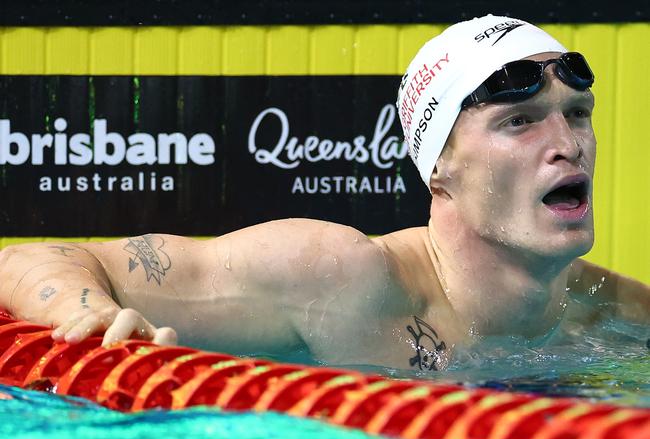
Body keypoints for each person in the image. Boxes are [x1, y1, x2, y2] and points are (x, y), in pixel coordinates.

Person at [1, 15, 649, 372]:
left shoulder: (617, 314)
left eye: (578, 112)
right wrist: (80, 315)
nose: (567, 142)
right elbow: (26, 258)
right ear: (439, 165)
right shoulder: (338, 279)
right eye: (521, 121)